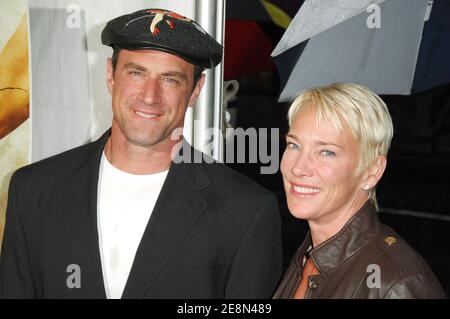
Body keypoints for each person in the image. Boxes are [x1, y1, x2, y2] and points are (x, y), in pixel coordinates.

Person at [0, 9, 282, 299]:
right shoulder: (33, 190)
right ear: (110, 75)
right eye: (137, 73)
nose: (150, 96)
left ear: (196, 90)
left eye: (170, 79)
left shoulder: (245, 212)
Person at [273, 83, 446, 299]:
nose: (298, 168)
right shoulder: (308, 256)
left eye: (326, 152)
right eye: (294, 145)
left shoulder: (396, 283)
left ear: (371, 171)